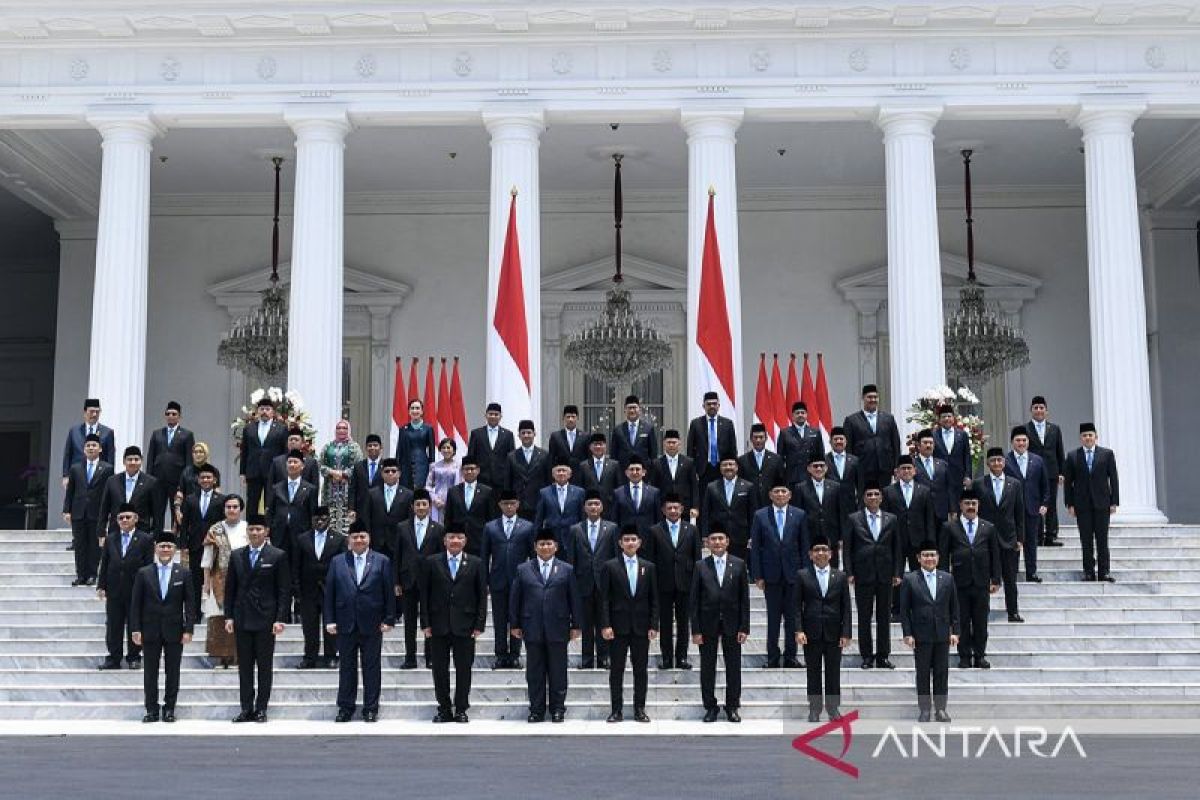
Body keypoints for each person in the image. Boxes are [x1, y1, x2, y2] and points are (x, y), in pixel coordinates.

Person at [325, 524, 396, 722]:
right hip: (345, 622)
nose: (358, 540)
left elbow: (389, 592)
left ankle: (371, 708)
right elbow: (329, 592)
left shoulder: (382, 561)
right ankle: (346, 707)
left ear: (369, 538)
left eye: (362, 536)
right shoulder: (337, 562)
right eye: (354, 536)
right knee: (346, 667)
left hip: (372, 623)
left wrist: (389, 618)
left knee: (371, 667)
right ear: (349, 539)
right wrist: (329, 619)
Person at [510, 530, 582, 723]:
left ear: (556, 547)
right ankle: (536, 710)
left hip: (558, 627)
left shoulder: (566, 569)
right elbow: (516, 598)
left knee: (558, 671)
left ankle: (558, 709)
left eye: (549, 543)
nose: (545, 547)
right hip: (531, 626)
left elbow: (574, 598)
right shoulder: (523, 569)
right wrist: (515, 623)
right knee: (534, 672)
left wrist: (576, 624)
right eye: (541, 544)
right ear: (535, 547)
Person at [224, 514, 290, 723]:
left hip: (266, 619)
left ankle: (261, 708)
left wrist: (280, 618)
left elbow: (283, 590)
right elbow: (230, 590)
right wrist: (228, 617)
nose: (254, 533)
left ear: (266, 532)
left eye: (259, 529)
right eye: (251, 529)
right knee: (244, 666)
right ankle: (246, 708)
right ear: (247, 532)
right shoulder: (237, 556)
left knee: (264, 665)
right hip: (242, 617)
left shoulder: (277, 555)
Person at [421, 530, 487, 723]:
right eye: (451, 537)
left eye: (459, 538)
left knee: (464, 669)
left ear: (465, 541)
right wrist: (425, 623)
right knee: (439, 670)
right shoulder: (432, 562)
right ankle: (443, 708)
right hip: (438, 625)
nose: (455, 541)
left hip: (465, 626)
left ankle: (461, 708)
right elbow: (424, 595)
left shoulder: (476, 563)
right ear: (445, 540)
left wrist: (479, 624)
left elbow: (481, 596)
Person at [130, 531, 196, 723]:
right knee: (150, 672)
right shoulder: (144, 573)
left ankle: (169, 708)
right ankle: (151, 709)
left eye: (169, 546)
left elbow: (190, 603)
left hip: (175, 630)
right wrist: (135, 629)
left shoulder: (183, 572)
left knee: (172, 671)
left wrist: (189, 628)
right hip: (149, 629)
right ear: (156, 548)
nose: (165, 549)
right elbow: (135, 603)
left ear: (174, 550)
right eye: (162, 546)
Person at [599, 526, 659, 723]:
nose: (630, 542)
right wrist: (605, 625)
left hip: (641, 627)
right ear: (620, 543)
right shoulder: (610, 566)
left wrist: (653, 625)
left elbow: (654, 599)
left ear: (639, 543)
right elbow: (604, 599)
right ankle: (616, 710)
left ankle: (639, 709)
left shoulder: (648, 567)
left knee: (640, 670)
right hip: (617, 627)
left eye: (634, 539)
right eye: (627, 539)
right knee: (617, 670)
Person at [690, 530, 750, 723]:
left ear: (727, 541)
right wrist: (696, 629)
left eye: (720, 538)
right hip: (707, 623)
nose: (717, 542)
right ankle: (710, 706)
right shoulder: (700, 566)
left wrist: (744, 627)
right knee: (708, 667)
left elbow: (744, 599)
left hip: (732, 623)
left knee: (734, 667)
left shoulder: (739, 564)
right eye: (713, 539)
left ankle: (732, 706)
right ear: (707, 543)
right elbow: (694, 600)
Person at [843, 481, 902, 670]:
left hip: (885, 574)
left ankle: (883, 656)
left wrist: (897, 572)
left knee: (884, 617)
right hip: (863, 574)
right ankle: (867, 656)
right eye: (869, 494)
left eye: (876, 494)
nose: (873, 497)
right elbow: (848, 548)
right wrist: (849, 572)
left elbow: (897, 548)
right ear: (864, 498)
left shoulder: (891, 519)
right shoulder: (854, 519)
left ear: (882, 497)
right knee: (864, 617)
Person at [899, 540, 960, 722]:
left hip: (942, 634)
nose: (929, 558)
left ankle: (941, 709)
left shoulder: (947, 578)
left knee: (942, 673)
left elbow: (954, 607)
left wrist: (955, 631)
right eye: (925, 555)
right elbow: (904, 610)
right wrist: (907, 633)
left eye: (933, 555)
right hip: (921, 634)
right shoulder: (910, 579)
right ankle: (924, 709)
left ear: (938, 557)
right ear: (918, 558)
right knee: (923, 673)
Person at [750, 482, 808, 669]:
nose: (780, 494)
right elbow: (756, 548)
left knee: (792, 618)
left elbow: (804, 546)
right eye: (777, 491)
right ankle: (773, 656)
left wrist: (806, 575)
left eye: (784, 491)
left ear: (790, 494)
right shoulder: (760, 515)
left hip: (794, 575)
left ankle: (791, 656)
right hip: (771, 575)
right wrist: (757, 575)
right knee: (773, 619)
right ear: (770, 494)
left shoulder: (799, 515)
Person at [941, 488, 1000, 669]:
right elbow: (943, 556)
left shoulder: (988, 527)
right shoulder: (949, 527)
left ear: (978, 505)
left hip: (981, 582)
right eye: (967, 503)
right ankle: (964, 656)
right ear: (960, 505)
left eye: (974, 503)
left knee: (981, 621)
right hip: (959, 582)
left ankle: (980, 655)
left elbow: (995, 555)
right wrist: (943, 580)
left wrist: (996, 579)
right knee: (962, 621)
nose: (971, 507)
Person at [795, 535, 851, 722]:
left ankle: (833, 709)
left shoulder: (840, 576)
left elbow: (846, 607)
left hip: (834, 633)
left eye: (824, 550)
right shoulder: (803, 575)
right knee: (813, 672)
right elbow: (796, 606)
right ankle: (814, 709)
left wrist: (846, 632)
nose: (821, 553)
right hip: (811, 632)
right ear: (810, 554)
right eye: (817, 550)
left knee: (833, 672)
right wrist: (798, 630)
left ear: (831, 554)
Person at [96, 504, 154, 670]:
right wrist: (101, 585)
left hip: (136, 589)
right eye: (121, 518)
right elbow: (105, 563)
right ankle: (114, 658)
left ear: (135, 518)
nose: (124, 520)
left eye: (128, 517)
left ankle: (134, 656)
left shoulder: (145, 539)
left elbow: (149, 566)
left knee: (135, 624)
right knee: (113, 625)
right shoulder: (110, 539)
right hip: (114, 589)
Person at [646, 493, 701, 669]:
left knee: (684, 622)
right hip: (663, 583)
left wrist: (697, 582)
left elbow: (697, 559)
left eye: (676, 507)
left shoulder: (691, 530)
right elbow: (650, 560)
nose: (672, 511)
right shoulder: (655, 530)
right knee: (666, 622)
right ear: (663, 510)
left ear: (682, 509)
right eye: (669, 508)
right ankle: (667, 658)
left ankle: (682, 657)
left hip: (686, 583)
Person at [480, 491, 534, 669]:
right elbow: (484, 555)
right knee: (499, 618)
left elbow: (533, 557)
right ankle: (501, 654)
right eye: (505, 503)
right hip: (498, 579)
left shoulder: (527, 527)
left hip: (520, 581)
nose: (509, 507)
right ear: (500, 505)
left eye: (512, 503)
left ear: (518, 504)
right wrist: (485, 580)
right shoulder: (491, 527)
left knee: (517, 618)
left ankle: (515, 654)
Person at [564, 490, 617, 669]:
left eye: (596, 504)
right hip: (583, 582)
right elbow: (571, 559)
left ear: (601, 507)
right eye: (590, 504)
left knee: (604, 620)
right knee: (586, 622)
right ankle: (587, 659)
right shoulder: (575, 529)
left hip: (604, 582)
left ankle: (604, 658)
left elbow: (615, 557)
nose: (593, 507)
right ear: (584, 508)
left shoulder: (611, 528)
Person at [1063, 422, 1120, 582]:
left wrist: (1114, 501)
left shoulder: (1107, 454)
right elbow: (1068, 483)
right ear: (1081, 438)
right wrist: (1070, 504)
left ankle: (1104, 572)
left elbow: (1113, 478)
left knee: (1102, 539)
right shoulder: (1073, 456)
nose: (1088, 438)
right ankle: (1088, 572)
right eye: (1084, 435)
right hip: (1082, 505)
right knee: (1086, 540)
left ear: (1096, 437)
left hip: (1102, 503)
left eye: (1090, 435)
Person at [975, 448, 1026, 623]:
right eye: (993, 460)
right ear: (988, 463)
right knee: (984, 579)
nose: (997, 463)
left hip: (1009, 538)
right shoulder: (979, 484)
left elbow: (1020, 513)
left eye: (999, 460)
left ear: (1004, 463)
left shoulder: (1015, 484)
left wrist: (1020, 538)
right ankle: (983, 611)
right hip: (985, 539)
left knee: (1010, 579)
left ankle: (1013, 611)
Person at [395, 488, 444, 669]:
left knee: (429, 620)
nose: (421, 507)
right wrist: (397, 581)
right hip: (408, 580)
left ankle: (430, 656)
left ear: (430, 507)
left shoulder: (438, 529)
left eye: (424, 504)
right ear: (412, 506)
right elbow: (397, 555)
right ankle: (410, 657)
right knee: (409, 622)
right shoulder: (402, 527)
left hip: (431, 582)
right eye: (418, 504)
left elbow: (441, 557)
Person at [293, 506, 346, 669]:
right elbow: (296, 565)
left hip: (330, 590)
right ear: (312, 520)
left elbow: (343, 566)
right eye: (317, 519)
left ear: (329, 520)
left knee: (330, 625)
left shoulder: (338, 539)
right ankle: (310, 657)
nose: (320, 522)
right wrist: (296, 589)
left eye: (323, 518)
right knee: (309, 626)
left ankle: (331, 656)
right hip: (308, 589)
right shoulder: (302, 539)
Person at [201, 495, 248, 668]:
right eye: (228, 507)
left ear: (240, 509)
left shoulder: (248, 529)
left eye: (235, 507)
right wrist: (206, 583)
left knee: (240, 617)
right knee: (219, 616)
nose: (232, 510)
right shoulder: (215, 529)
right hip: (218, 579)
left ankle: (239, 654)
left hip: (243, 580)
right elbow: (207, 559)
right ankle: (222, 655)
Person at [63, 433, 112, 585]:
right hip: (78, 512)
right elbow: (70, 491)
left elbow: (108, 492)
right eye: (88, 446)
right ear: (84, 449)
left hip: (97, 512)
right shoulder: (76, 468)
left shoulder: (107, 468)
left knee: (94, 545)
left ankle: (92, 574)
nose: (91, 448)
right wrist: (66, 510)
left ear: (100, 449)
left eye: (94, 445)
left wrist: (109, 512)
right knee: (79, 545)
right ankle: (80, 575)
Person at [177, 464, 223, 615]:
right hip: (195, 544)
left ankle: (217, 612)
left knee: (216, 578)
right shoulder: (190, 499)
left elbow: (223, 524)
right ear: (198, 480)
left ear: (214, 480)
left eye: (209, 477)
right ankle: (195, 612)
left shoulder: (221, 500)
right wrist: (183, 545)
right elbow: (184, 525)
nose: (205, 480)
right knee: (195, 580)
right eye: (202, 477)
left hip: (214, 545)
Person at [1006, 427, 1049, 584]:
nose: (1021, 443)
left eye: (1024, 440)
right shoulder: (1005, 460)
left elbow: (1044, 484)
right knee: (1013, 542)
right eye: (1018, 440)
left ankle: (1032, 573)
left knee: (1031, 542)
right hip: (1012, 509)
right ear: (1012, 442)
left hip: (1032, 508)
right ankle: (1013, 573)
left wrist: (1044, 503)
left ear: (1028, 442)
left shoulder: (1037, 460)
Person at [883, 455, 937, 576]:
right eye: (903, 468)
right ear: (897, 471)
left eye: (909, 468)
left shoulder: (924, 491)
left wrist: (930, 542)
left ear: (914, 470)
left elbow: (929, 519)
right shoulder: (888, 491)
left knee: (919, 577)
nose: (906, 471)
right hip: (897, 540)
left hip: (918, 541)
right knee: (896, 577)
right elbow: (885, 519)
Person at [144, 401, 195, 530]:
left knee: (176, 510)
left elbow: (189, 459)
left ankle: (176, 539)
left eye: (174, 413)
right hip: (158, 479)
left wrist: (186, 481)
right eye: (168, 413)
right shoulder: (157, 434)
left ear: (179, 416)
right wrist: (148, 478)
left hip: (177, 479)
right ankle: (156, 538)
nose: (171, 416)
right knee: (157, 510)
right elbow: (151, 457)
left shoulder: (187, 435)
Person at [793, 455, 851, 568]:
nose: (818, 469)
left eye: (821, 466)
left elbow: (841, 512)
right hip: (809, 535)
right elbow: (798, 514)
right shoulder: (800, 488)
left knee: (832, 569)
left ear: (826, 468)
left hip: (831, 535)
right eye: (815, 466)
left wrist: (841, 537)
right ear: (809, 468)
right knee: (809, 571)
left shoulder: (836, 487)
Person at [842, 384, 902, 489]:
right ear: (863, 398)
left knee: (884, 499)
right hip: (862, 468)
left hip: (885, 468)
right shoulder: (851, 420)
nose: (873, 400)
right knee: (864, 499)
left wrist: (897, 466)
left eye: (875, 397)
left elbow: (896, 444)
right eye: (869, 397)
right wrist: (851, 469)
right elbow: (848, 447)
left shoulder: (889, 419)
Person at [1026, 396, 1066, 547]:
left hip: (1051, 472)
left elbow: (1059, 451)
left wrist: (1062, 472)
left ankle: (1051, 535)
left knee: (1051, 504)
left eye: (1041, 407)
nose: (1038, 410)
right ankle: (1037, 536)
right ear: (1031, 410)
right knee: (1035, 503)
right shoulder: (1026, 429)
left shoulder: (1054, 429)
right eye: (1035, 407)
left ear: (1046, 411)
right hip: (1033, 472)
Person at [97, 446, 164, 537]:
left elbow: (157, 512)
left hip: (141, 532)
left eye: (136, 459)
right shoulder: (112, 481)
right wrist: (101, 532)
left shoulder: (151, 482)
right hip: (116, 532)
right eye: (130, 459)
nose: (133, 462)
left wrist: (156, 535)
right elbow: (104, 509)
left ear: (141, 461)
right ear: (124, 461)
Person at [701, 457, 757, 560]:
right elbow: (705, 512)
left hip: (741, 537)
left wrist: (752, 535)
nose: (728, 467)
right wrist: (705, 535)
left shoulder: (748, 486)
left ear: (736, 467)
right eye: (725, 465)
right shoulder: (711, 487)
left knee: (739, 568)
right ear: (720, 468)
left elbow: (752, 513)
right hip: (718, 538)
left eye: (731, 464)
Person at [240, 397, 289, 515]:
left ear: (273, 412)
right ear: (258, 411)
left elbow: (285, 452)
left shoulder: (281, 429)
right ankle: (251, 527)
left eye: (267, 409)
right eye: (262, 409)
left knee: (271, 502)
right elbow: (244, 451)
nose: (264, 412)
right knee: (252, 502)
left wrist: (283, 471)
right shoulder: (249, 428)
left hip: (273, 471)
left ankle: (270, 530)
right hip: (253, 471)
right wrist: (242, 472)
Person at [362, 458, 413, 564]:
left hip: (398, 543)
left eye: (393, 471)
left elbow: (410, 521)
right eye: (387, 471)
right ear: (382, 473)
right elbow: (366, 518)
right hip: (376, 543)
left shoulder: (408, 495)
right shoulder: (372, 493)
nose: (390, 473)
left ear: (399, 473)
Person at [266, 450, 318, 554]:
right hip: (279, 533)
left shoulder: (310, 489)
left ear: (302, 466)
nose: (292, 465)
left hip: (301, 533)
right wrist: (269, 529)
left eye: (295, 462)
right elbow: (270, 510)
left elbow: (313, 513)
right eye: (289, 462)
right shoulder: (277, 488)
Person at [318, 420, 363, 534]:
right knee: (329, 517)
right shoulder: (328, 446)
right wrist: (332, 472)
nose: (341, 430)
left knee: (347, 519)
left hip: (348, 489)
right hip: (330, 490)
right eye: (338, 428)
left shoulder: (354, 447)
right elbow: (319, 464)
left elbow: (359, 466)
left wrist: (343, 474)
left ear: (348, 430)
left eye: (344, 428)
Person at [444, 457, 495, 556]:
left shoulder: (487, 491)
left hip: (479, 539)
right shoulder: (453, 491)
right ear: (462, 471)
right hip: (457, 540)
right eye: (466, 469)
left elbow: (491, 518)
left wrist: (490, 539)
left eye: (472, 468)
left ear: (478, 470)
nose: (469, 471)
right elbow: (448, 517)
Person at [686, 391, 738, 487]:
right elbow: (690, 450)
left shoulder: (728, 424)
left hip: (723, 468)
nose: (712, 406)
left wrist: (733, 468)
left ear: (718, 405)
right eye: (708, 404)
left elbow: (733, 448)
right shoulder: (696, 424)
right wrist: (693, 471)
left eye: (714, 404)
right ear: (703, 406)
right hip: (703, 469)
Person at [61, 397, 115, 489]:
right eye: (91, 411)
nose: (94, 414)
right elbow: (68, 454)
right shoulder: (74, 431)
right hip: (77, 475)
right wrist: (66, 476)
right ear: (85, 412)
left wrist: (111, 478)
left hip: (99, 477)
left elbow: (110, 456)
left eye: (97, 412)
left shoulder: (107, 432)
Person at [532, 459, 585, 547]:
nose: (561, 473)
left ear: (569, 474)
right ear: (553, 474)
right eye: (558, 471)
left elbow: (582, 517)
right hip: (551, 539)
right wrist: (536, 538)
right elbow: (539, 519)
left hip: (573, 537)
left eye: (564, 471)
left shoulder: (579, 492)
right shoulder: (544, 492)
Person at [505, 420, 551, 520]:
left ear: (534, 434)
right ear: (519, 435)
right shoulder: (511, 456)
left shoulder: (544, 455)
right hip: (518, 504)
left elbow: (548, 481)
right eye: (523, 433)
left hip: (538, 502)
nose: (526, 435)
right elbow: (508, 482)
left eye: (529, 432)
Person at [653, 429, 700, 521]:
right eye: (668, 442)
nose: (671, 445)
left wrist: (695, 507)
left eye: (674, 442)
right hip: (664, 509)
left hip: (684, 508)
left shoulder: (688, 462)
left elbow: (694, 486)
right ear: (664, 444)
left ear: (679, 443)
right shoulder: (656, 463)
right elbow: (654, 487)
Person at [465, 402, 514, 489]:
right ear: (486, 415)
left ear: (500, 416)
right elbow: (471, 456)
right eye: (490, 414)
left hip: (501, 481)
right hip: (481, 480)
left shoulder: (508, 435)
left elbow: (511, 458)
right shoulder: (476, 433)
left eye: (496, 414)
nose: (493, 416)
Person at [612, 455, 662, 540]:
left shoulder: (654, 492)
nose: (635, 472)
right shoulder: (618, 493)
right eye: (631, 469)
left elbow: (658, 519)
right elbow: (615, 520)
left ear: (644, 472)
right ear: (626, 473)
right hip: (627, 540)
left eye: (638, 469)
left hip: (648, 539)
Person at [738, 423, 785, 508]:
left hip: (771, 503)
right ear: (751, 439)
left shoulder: (776, 459)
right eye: (755, 438)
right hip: (749, 504)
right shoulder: (742, 460)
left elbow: (780, 482)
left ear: (766, 438)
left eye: (761, 437)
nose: (758, 440)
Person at [778, 401, 823, 487]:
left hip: (811, 477)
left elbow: (820, 456)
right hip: (792, 477)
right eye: (797, 413)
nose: (800, 415)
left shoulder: (815, 432)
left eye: (803, 412)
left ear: (807, 414)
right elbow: (780, 458)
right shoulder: (785, 433)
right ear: (793, 415)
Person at [932, 404, 973, 500]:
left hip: (958, 477)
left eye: (949, 416)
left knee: (958, 506)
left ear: (953, 418)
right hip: (939, 478)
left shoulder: (962, 435)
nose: (947, 419)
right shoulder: (933, 435)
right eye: (943, 417)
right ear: (939, 419)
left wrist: (968, 476)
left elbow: (967, 457)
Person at [913, 428, 954, 523]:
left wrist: (953, 509)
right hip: (920, 511)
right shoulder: (912, 465)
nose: (928, 445)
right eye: (925, 442)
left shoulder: (942, 464)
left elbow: (949, 487)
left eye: (931, 443)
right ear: (918, 446)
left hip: (941, 511)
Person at [396, 398, 437, 490]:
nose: (415, 411)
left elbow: (432, 452)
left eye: (417, 408)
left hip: (422, 465)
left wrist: (432, 470)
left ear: (422, 411)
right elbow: (399, 451)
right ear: (409, 411)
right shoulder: (403, 429)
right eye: (412, 408)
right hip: (405, 466)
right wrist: (397, 469)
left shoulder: (428, 428)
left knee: (420, 492)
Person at [577, 433, 621, 516]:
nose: (598, 447)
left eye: (600, 444)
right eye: (595, 444)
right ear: (590, 447)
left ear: (605, 446)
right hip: (590, 509)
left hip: (609, 509)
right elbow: (581, 489)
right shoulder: (583, 466)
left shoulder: (614, 465)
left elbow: (618, 488)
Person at [609, 395, 659, 468]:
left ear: (639, 409)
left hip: (644, 472)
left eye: (634, 407)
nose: (632, 411)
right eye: (629, 408)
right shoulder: (618, 430)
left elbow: (653, 454)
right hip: (623, 473)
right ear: (625, 410)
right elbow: (613, 455)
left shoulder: (648, 428)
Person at [347, 433, 385, 523]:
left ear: (381, 447)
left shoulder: (386, 467)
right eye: (370, 445)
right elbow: (352, 489)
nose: (372, 448)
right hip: (361, 509)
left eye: (375, 445)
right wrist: (351, 508)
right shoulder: (358, 466)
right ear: (366, 448)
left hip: (380, 508)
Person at [176, 441, 221, 513]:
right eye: (195, 452)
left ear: (206, 453)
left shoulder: (213, 471)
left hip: (207, 510)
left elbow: (217, 492)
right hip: (189, 509)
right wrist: (177, 510)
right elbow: (180, 492)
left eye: (200, 452)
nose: (198, 454)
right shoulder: (186, 471)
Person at [825, 427, 863, 511]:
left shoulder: (855, 460)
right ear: (830, 442)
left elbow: (860, 485)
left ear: (846, 441)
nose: (838, 441)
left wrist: (859, 504)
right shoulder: (824, 460)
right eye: (835, 439)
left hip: (850, 504)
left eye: (841, 439)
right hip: (830, 504)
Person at [425, 438, 461, 523]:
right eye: (443, 448)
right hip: (437, 502)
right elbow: (428, 486)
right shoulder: (434, 466)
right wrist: (435, 499)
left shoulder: (459, 466)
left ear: (454, 450)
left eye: (448, 447)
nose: (446, 450)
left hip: (453, 501)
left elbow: (461, 485)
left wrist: (449, 501)